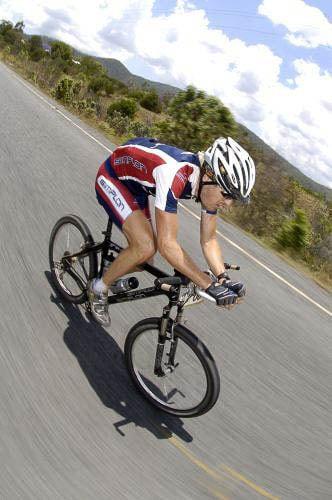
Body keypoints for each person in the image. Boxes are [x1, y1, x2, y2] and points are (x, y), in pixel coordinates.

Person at [88, 136, 256, 326]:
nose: (228, 204)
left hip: (138, 185)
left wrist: (222, 278)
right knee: (145, 246)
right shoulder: (173, 173)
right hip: (113, 177)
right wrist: (207, 284)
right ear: (208, 175)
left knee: (143, 259)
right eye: (226, 194)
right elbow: (167, 245)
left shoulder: (207, 187)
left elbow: (209, 241)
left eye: (232, 198)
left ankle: (114, 270)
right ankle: (98, 288)